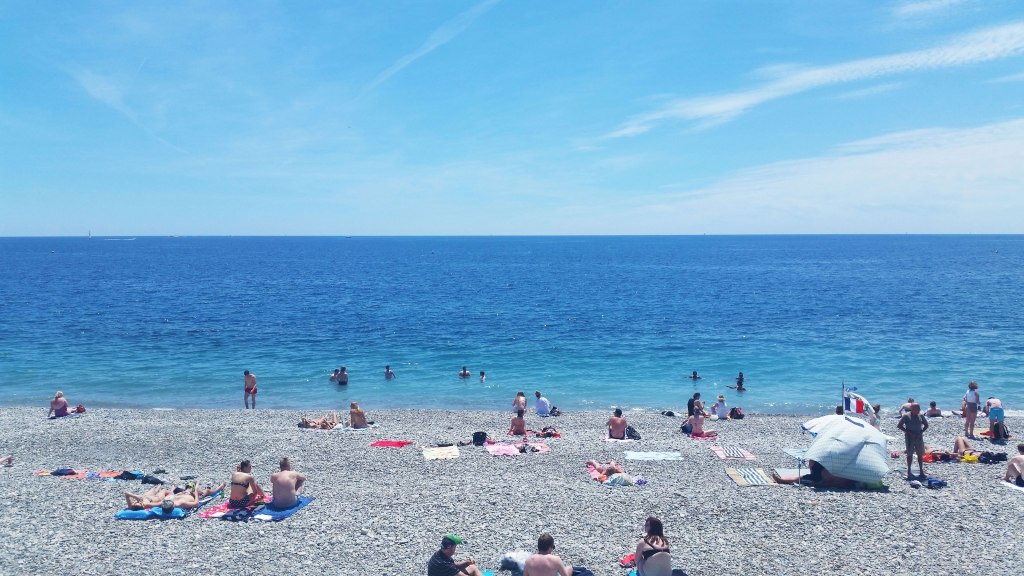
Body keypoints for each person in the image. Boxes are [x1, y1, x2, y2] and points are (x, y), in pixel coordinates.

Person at [897, 402, 929, 480]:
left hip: (919, 437)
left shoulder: (920, 416)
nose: (919, 410)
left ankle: (921, 471)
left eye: (919, 408)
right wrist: (909, 433)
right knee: (909, 454)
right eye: (917, 409)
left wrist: (921, 432)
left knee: (920, 454)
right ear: (912, 409)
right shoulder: (906, 416)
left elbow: (926, 425)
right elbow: (899, 425)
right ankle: (909, 471)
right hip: (910, 438)